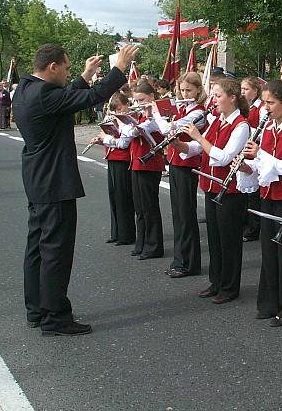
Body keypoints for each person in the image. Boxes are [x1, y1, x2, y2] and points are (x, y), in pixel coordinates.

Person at [13, 42, 135, 336]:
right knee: (56, 251)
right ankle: (55, 316)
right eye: (66, 69)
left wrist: (85, 75)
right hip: (55, 182)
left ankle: (37, 309)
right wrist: (118, 68)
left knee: (37, 248)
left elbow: (66, 97)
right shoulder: (44, 95)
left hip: (38, 180)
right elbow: (90, 97)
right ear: (52, 67)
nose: (68, 73)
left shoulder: (26, 89)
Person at [238, 80, 282, 328]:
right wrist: (247, 167)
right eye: (265, 102)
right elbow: (263, 166)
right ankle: (270, 302)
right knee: (268, 252)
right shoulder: (268, 127)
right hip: (268, 195)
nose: (266, 107)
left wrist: (261, 154)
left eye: (271, 103)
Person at [177, 78, 250, 303]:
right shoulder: (218, 120)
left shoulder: (241, 126)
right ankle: (216, 281)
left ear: (232, 98)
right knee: (214, 238)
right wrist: (178, 144)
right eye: (213, 96)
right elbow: (199, 148)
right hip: (211, 186)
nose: (213, 100)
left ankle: (229, 287)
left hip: (230, 191)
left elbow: (224, 157)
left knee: (229, 240)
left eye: (218, 96)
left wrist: (198, 136)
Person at [154, 72, 209, 278]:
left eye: (189, 90)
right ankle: (179, 260)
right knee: (178, 215)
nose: (184, 94)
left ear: (198, 90)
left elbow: (169, 128)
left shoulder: (199, 113)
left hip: (188, 165)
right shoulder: (183, 109)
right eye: (182, 90)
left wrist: (155, 113)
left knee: (186, 215)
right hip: (176, 163)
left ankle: (189, 263)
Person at [120, 81, 166, 260]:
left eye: (141, 100)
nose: (138, 104)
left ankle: (154, 246)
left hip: (150, 165)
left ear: (152, 97)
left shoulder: (155, 117)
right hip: (137, 164)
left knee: (149, 207)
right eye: (136, 100)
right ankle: (141, 242)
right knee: (139, 207)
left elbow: (134, 133)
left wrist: (120, 122)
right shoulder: (140, 116)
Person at [87, 93, 135, 247]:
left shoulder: (129, 120)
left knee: (123, 198)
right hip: (112, 159)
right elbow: (112, 141)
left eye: (120, 109)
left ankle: (126, 234)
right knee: (114, 196)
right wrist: (102, 141)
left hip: (123, 161)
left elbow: (124, 143)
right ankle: (116, 232)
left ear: (127, 105)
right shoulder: (114, 120)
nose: (117, 113)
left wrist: (107, 138)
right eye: (115, 110)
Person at [241, 77, 264, 242]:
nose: (242, 92)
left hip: (255, 151)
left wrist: (246, 130)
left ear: (255, 91)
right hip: (245, 150)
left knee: (254, 195)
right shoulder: (245, 106)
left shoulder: (261, 108)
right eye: (241, 89)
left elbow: (263, 132)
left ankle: (253, 228)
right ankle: (245, 224)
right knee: (245, 195)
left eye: (246, 89)